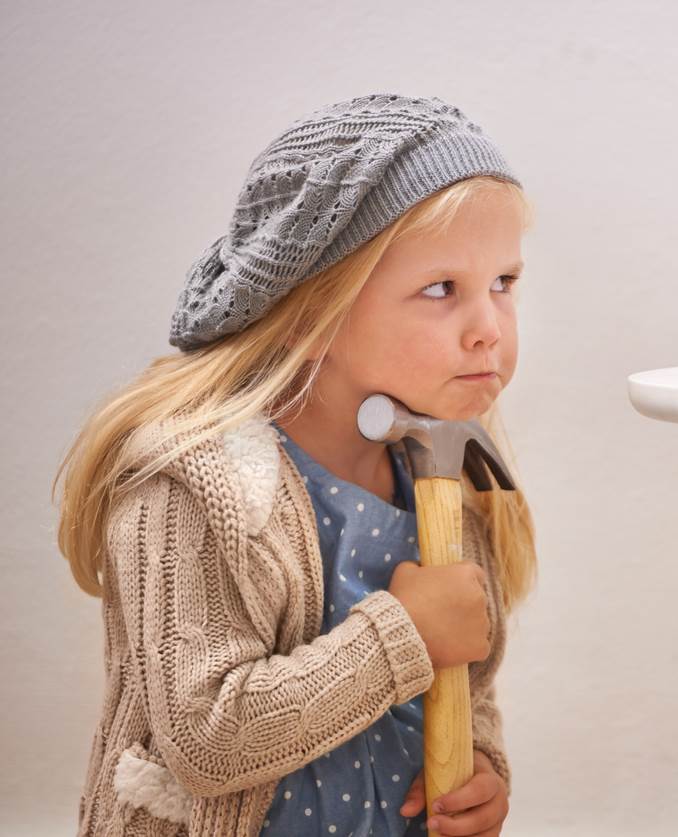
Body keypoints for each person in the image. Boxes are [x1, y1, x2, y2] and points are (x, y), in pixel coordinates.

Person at [55, 93, 538, 837]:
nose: (490, 329)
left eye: (503, 283)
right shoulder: (193, 485)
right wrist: (404, 633)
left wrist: (481, 764)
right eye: (442, 289)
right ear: (314, 313)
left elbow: (468, 671)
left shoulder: (441, 474)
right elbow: (206, 738)